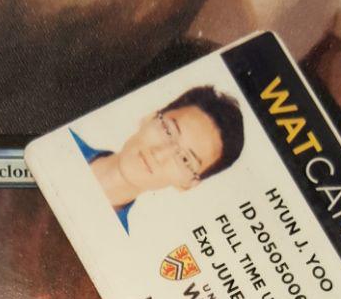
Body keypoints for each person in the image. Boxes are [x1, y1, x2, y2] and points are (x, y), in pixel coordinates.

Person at [71, 85, 245, 230]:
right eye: (168, 131)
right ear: (150, 117)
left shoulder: (116, 249)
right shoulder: (62, 135)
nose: (159, 154)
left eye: (185, 160)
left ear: (187, 184)